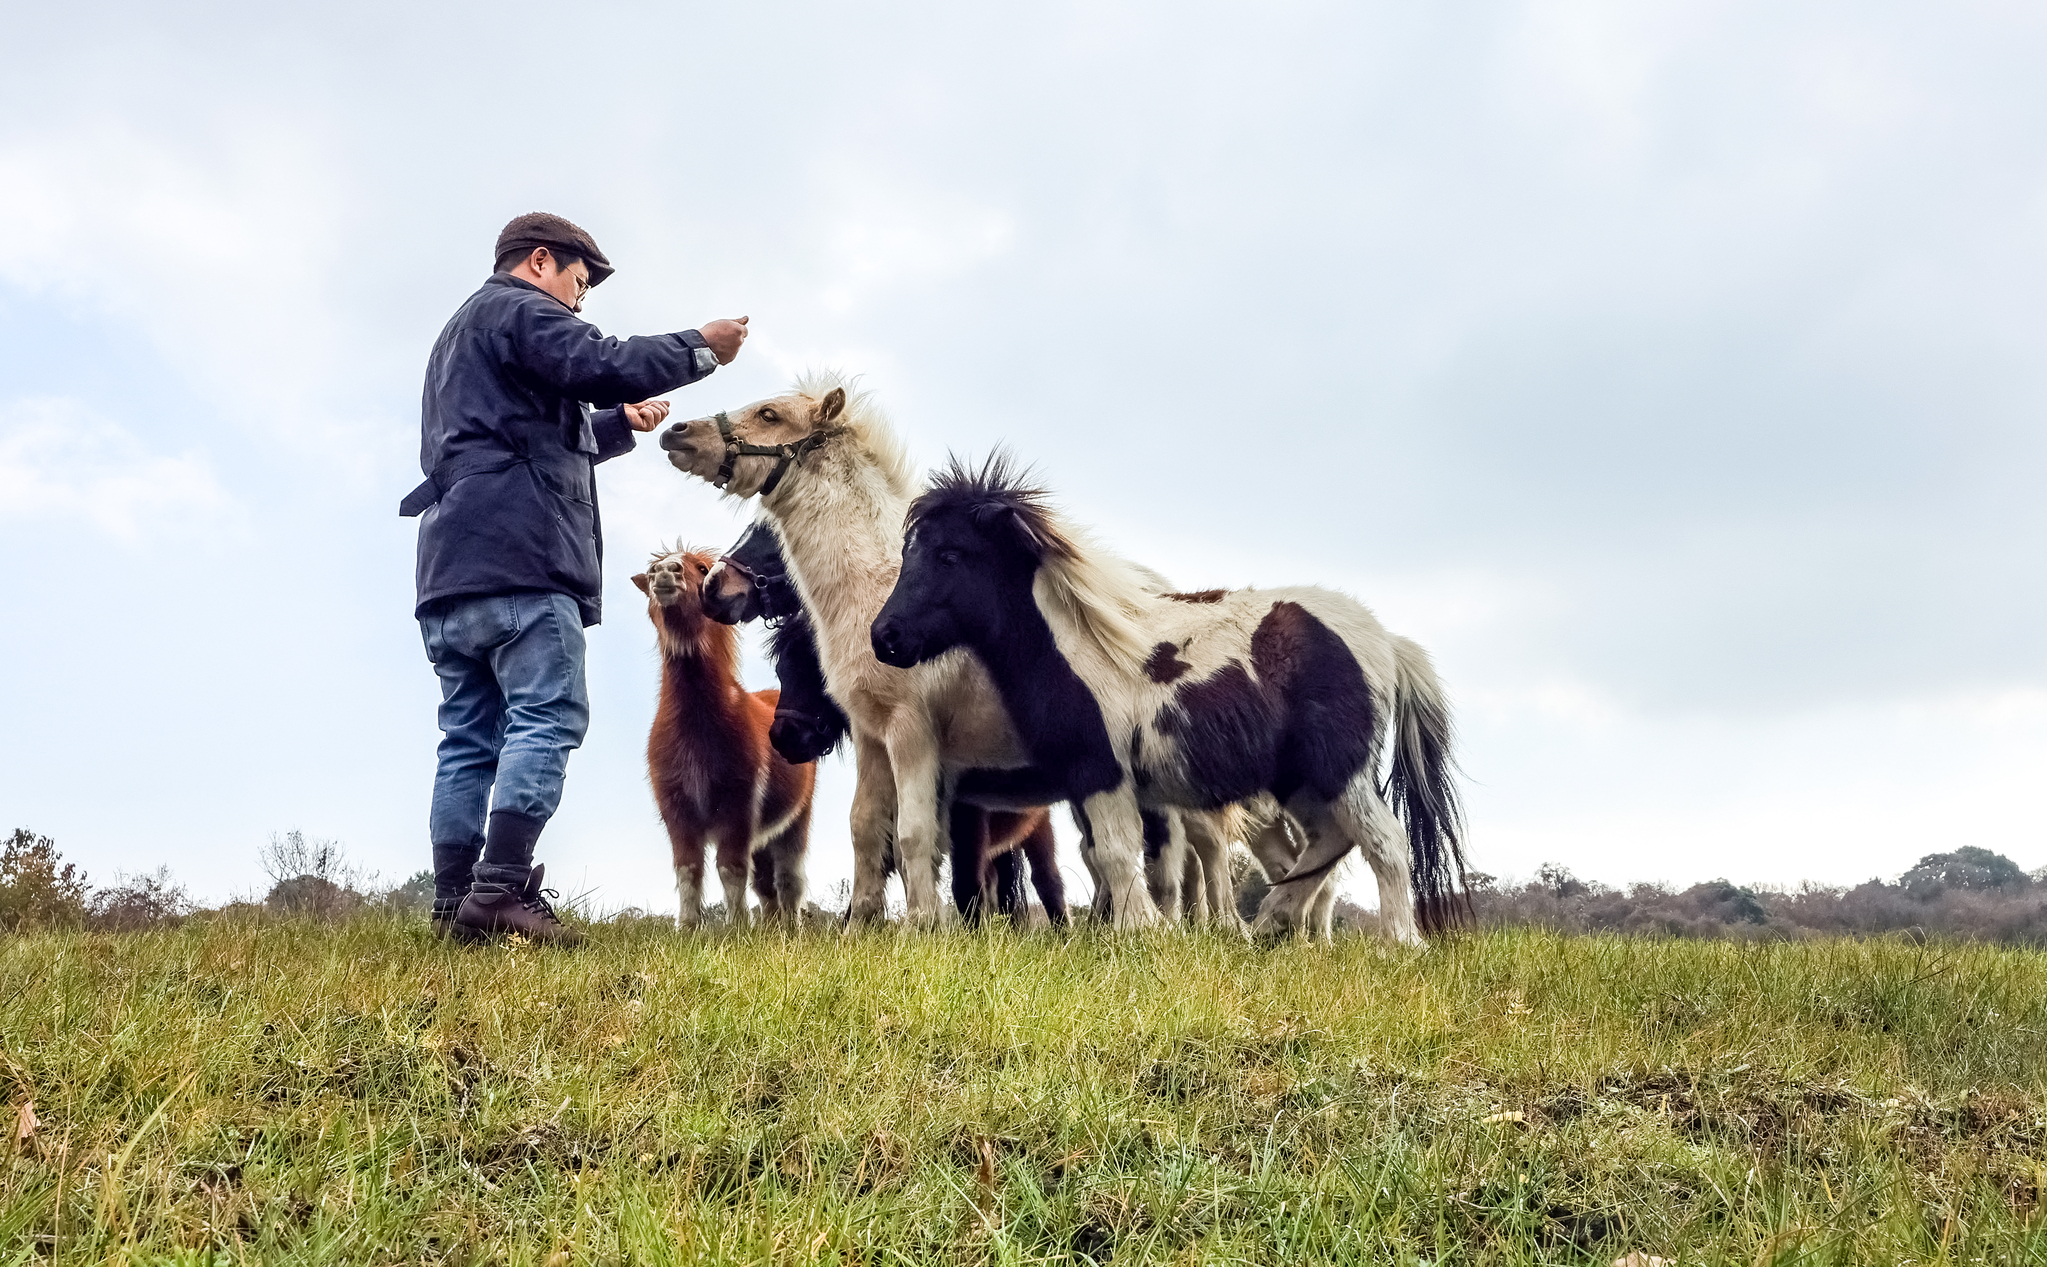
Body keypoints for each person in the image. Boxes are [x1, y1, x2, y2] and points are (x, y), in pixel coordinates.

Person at [402, 212, 748, 944]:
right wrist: (702, 349)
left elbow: (530, 434)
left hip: (449, 569)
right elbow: (604, 360)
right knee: (547, 715)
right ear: (538, 262)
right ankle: (499, 892)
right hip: (523, 563)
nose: (579, 303)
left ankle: (453, 903)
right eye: (578, 284)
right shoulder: (521, 308)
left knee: (467, 737)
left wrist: (619, 423)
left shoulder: (457, 337)